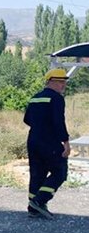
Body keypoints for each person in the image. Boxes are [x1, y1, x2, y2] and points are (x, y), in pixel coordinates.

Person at [23, 68, 71, 220]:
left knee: (37, 174)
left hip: (33, 141)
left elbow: (27, 120)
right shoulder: (56, 99)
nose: (63, 85)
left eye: (64, 82)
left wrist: (40, 125)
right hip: (49, 142)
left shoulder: (35, 98)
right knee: (60, 172)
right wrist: (66, 142)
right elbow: (59, 122)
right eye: (61, 82)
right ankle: (39, 200)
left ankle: (33, 208)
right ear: (50, 81)